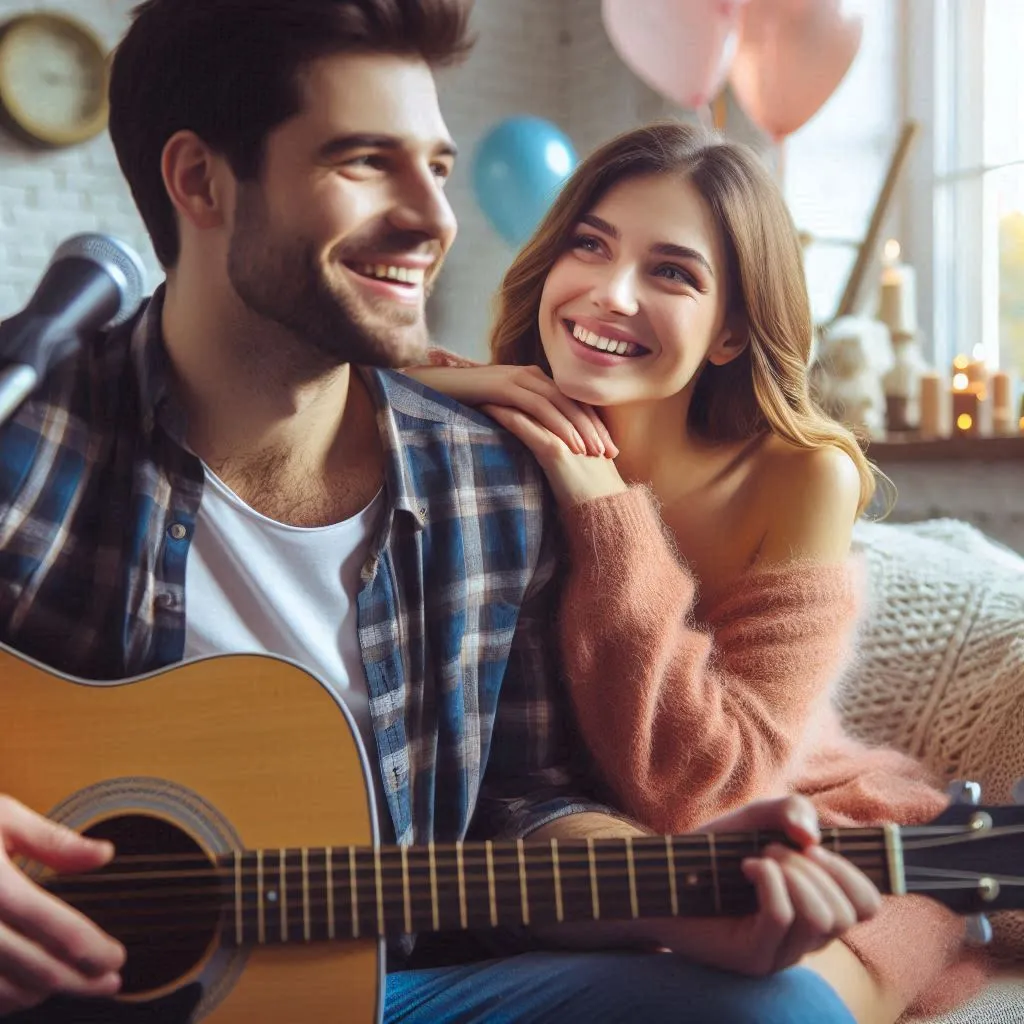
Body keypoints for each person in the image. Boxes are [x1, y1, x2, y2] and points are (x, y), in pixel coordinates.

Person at [0, 3, 882, 1022]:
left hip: (397, 986)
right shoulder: (36, 436)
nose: (434, 217)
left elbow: (526, 804)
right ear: (199, 180)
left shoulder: (492, 485)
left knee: (778, 1010)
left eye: (440, 166)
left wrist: (676, 890)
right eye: (367, 162)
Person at [409, 122, 992, 1023]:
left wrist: (605, 512)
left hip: (793, 816)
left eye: (671, 272)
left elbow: (708, 788)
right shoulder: (489, 426)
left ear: (728, 334)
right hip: (567, 845)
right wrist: (435, 383)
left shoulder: (800, 475)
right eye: (590, 246)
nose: (609, 294)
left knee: (792, 999)